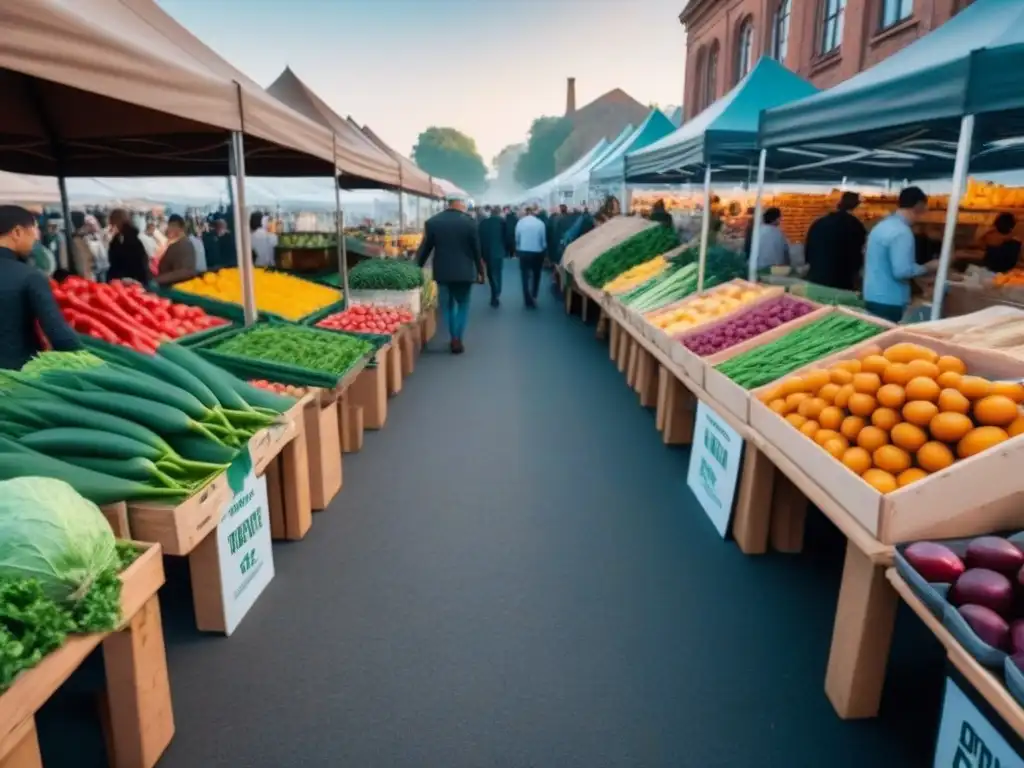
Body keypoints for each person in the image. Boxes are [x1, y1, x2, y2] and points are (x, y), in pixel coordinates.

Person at [0, 205, 81, 370]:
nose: (36, 238)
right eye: (34, 230)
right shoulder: (29, 276)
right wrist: (87, 360)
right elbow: (58, 333)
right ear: (17, 232)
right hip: (17, 378)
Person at [416, 195, 484, 354]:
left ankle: (453, 336)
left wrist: (416, 267)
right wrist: (481, 272)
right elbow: (477, 250)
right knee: (463, 305)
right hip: (465, 272)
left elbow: (425, 248)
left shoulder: (433, 222)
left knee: (447, 306)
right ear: (460, 204)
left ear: (449, 204)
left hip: (443, 272)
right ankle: (457, 338)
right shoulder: (470, 222)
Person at [863, 186, 939, 323]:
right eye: (925, 207)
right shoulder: (902, 232)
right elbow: (902, 271)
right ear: (919, 205)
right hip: (890, 300)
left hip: (871, 295)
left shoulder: (881, 226)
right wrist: (929, 267)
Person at [804, 191, 868, 290]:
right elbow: (857, 254)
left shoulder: (819, 222)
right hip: (840, 280)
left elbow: (808, 250)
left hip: (816, 277)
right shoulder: (855, 226)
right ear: (856, 206)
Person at [106, 208, 152, 285]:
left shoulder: (132, 239)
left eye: (112, 223)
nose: (111, 225)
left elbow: (138, 261)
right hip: (125, 279)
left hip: (131, 280)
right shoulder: (119, 238)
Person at [515, 205, 547, 308]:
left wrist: (518, 247)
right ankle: (534, 295)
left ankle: (527, 299)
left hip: (523, 251)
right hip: (537, 252)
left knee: (524, 275)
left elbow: (517, 237)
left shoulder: (520, 223)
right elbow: (543, 239)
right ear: (534, 212)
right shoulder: (540, 223)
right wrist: (543, 248)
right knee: (536, 274)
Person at [155, 214, 197, 286]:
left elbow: (183, 272)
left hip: (173, 288)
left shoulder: (183, 245)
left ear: (179, 228)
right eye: (169, 226)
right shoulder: (180, 243)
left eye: (171, 226)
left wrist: (157, 281)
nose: (168, 229)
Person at [478, 206, 506, 307]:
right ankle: (497, 293)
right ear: (499, 213)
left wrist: (480, 254)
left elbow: (479, 239)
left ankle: (494, 292)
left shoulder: (483, 223)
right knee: (498, 273)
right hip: (499, 252)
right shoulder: (502, 222)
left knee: (490, 274)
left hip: (487, 253)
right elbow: (506, 237)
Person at [68, 211, 94, 280]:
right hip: (84, 278)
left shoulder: (79, 239)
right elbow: (83, 263)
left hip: (83, 277)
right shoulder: (78, 240)